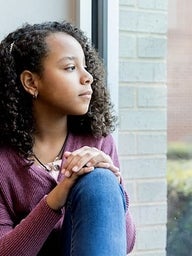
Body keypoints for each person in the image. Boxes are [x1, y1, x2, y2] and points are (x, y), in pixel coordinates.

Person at [0, 21, 135, 256]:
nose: (88, 77)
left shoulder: (97, 141)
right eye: (71, 68)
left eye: (86, 66)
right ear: (31, 82)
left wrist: (115, 184)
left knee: (101, 179)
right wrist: (57, 197)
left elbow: (126, 243)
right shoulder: (3, 161)